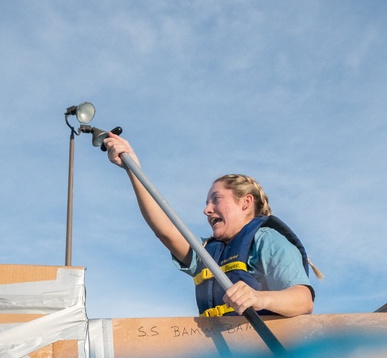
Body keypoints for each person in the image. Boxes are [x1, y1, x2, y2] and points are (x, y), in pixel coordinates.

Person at [103, 133, 316, 318]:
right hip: (222, 353)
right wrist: (133, 169)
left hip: (265, 351)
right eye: (207, 203)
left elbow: (304, 300)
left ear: (246, 202)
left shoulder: (267, 240)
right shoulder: (206, 252)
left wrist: (258, 298)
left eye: (216, 200)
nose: (207, 210)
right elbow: (166, 232)